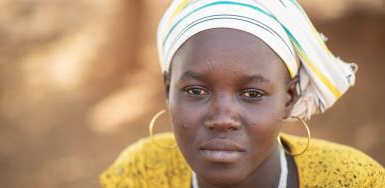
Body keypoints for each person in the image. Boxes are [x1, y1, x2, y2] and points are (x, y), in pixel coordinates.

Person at [100, 0, 384, 187]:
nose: (222, 119)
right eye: (196, 90)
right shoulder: (141, 174)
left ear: (289, 97)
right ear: (168, 89)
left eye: (252, 94)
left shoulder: (355, 180)